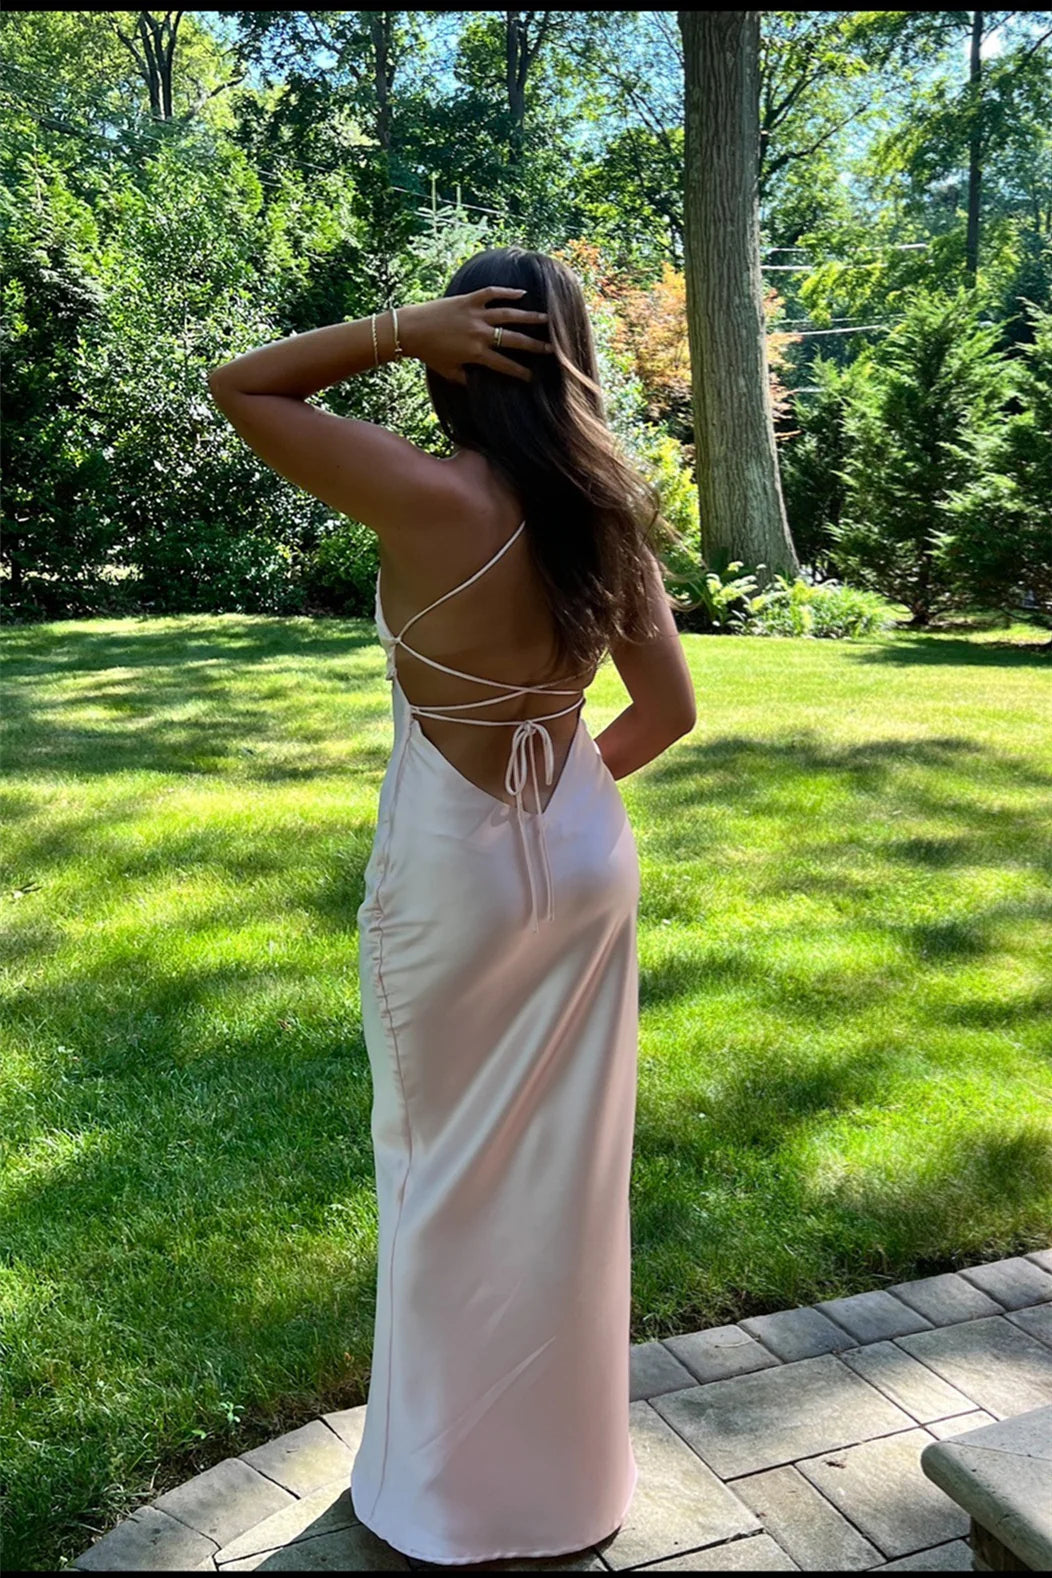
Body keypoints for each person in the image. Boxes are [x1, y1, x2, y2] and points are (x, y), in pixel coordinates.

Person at [207, 246, 696, 1567]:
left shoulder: (424, 494)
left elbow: (242, 385)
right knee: (567, 1178)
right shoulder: (611, 509)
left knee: (438, 1170)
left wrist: (392, 327)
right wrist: (560, 804)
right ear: (577, 356)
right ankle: (566, 1487)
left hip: (452, 869)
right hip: (584, 857)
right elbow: (666, 712)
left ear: (457, 358)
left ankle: (444, 1501)